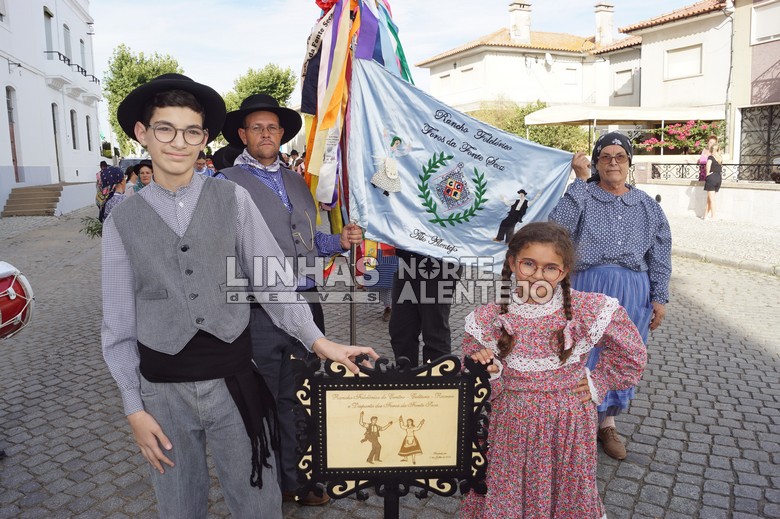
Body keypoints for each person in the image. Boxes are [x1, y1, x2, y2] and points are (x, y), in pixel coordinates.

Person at [101, 73, 378, 519]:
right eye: (165, 129)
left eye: (191, 132)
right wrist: (134, 407)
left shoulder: (233, 198)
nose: (178, 142)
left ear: (204, 139)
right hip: (162, 392)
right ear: (142, 132)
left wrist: (318, 341)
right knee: (178, 505)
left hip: (233, 382)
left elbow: (273, 283)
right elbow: (117, 322)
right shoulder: (121, 219)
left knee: (257, 501)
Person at [216, 93, 364, 506]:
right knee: (262, 398)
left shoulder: (298, 182)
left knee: (301, 395)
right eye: (257, 128)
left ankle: (297, 481)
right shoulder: (224, 183)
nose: (266, 134)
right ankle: (263, 484)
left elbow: (310, 240)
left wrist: (339, 241)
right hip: (257, 310)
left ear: (281, 134)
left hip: (306, 303)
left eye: (272, 128)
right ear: (243, 134)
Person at [460, 222, 646, 518]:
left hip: (568, 426)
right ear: (512, 263)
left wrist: (597, 381)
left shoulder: (587, 309)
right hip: (510, 428)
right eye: (529, 264)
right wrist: (489, 371)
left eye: (549, 268)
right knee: (510, 492)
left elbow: (631, 353)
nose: (537, 275)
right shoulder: (488, 318)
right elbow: (474, 386)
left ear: (563, 272)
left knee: (566, 492)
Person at [549, 131, 671, 460]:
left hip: (633, 290)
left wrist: (659, 297)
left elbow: (660, 254)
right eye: (605, 156)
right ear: (596, 162)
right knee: (580, 354)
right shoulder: (582, 195)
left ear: (629, 162)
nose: (613, 162)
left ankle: (607, 423)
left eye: (620, 156)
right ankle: (577, 423)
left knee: (620, 355)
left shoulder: (647, 206)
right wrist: (580, 180)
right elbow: (556, 229)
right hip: (586, 285)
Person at [389, 251, 460, 367]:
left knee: (434, 332)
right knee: (401, 330)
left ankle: (437, 376)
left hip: (439, 264)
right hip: (407, 262)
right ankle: (405, 374)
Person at [703, 141, 723, 220]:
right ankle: (705, 216)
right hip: (718, 178)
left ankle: (713, 216)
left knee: (711, 199)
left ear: (711, 150)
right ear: (718, 150)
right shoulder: (720, 159)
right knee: (710, 198)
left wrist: (707, 174)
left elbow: (708, 165)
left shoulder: (710, 157)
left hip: (712, 178)